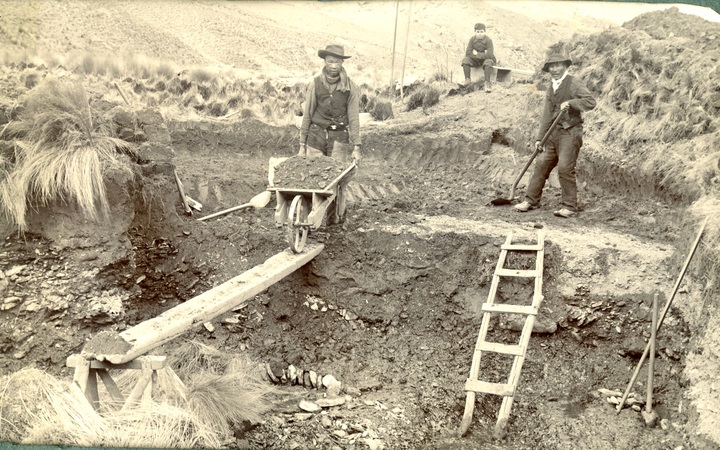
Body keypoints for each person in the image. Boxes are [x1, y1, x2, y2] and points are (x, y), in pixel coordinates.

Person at [515, 51, 596, 218]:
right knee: (541, 164)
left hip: (570, 132)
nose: (554, 69)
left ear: (565, 66)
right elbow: (546, 114)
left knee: (565, 168)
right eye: (551, 66)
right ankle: (531, 200)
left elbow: (590, 102)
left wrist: (572, 103)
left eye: (558, 65)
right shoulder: (551, 87)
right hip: (552, 133)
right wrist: (540, 138)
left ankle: (569, 206)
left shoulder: (573, 82)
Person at [299, 44, 362, 163]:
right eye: (330, 61)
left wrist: (357, 147)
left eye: (337, 62)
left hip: (339, 137)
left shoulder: (351, 87)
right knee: (313, 172)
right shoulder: (315, 84)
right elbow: (308, 114)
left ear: (342, 62)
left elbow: (354, 117)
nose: (333, 66)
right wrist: (302, 144)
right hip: (316, 135)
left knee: (336, 172)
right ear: (324, 61)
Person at [461, 23, 496, 92]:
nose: (479, 34)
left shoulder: (488, 40)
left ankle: (487, 83)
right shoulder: (472, 39)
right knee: (465, 60)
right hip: (476, 60)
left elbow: (489, 55)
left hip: (486, 60)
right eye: (478, 32)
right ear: (475, 32)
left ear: (484, 32)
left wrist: (477, 54)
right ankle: (467, 80)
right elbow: (468, 53)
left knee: (488, 62)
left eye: (481, 32)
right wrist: (481, 55)